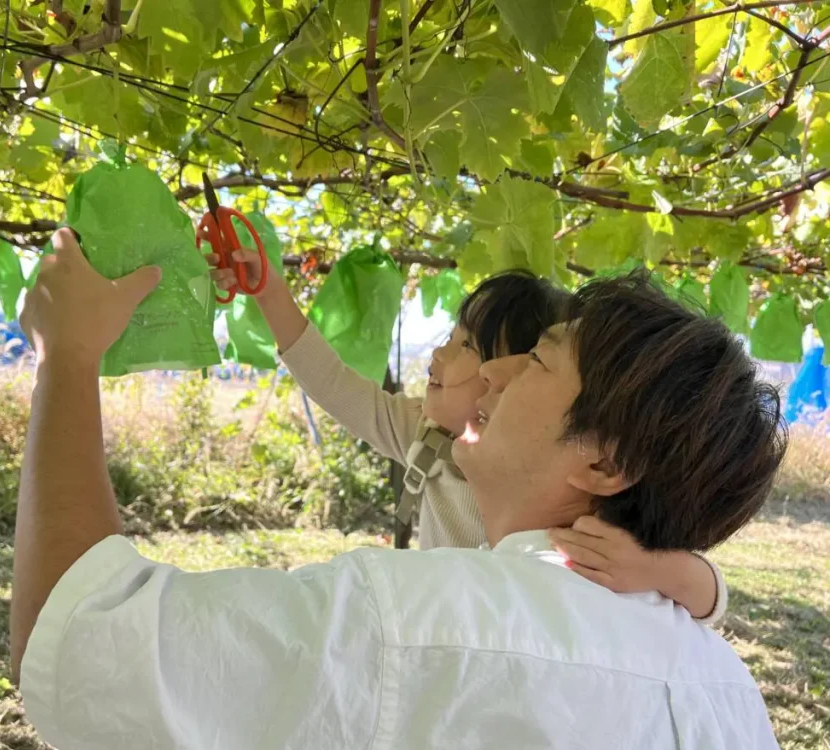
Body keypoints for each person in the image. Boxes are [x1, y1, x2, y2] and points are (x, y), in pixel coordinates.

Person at [12, 229, 787, 750]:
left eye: (539, 363)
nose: (492, 373)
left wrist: (69, 358)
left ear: (608, 465)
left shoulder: (411, 625)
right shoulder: (727, 693)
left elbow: (76, 640)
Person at [212, 251, 728, 622]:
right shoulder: (427, 437)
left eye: (469, 346)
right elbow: (332, 383)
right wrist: (270, 292)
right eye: (449, 338)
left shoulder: (570, 508)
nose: (440, 356)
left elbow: (705, 599)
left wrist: (658, 569)